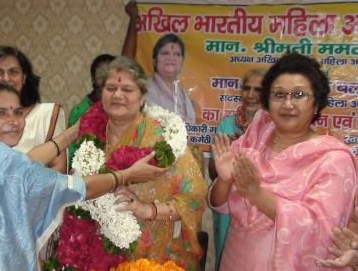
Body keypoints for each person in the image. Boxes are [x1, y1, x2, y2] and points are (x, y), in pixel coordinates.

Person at [0, 82, 166, 271]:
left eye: (18, 111)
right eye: (0, 113)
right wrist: (126, 175)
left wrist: (72, 132)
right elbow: (76, 187)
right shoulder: (2, 161)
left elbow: (17, 166)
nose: (13, 120)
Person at [209, 52, 357, 270]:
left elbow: (321, 228)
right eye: (279, 95)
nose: (288, 103)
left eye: (299, 95)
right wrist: (224, 180)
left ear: (316, 104)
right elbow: (219, 205)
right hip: (236, 259)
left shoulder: (333, 159)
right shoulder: (252, 139)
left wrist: (256, 194)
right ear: (268, 102)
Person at [68, 56, 207, 270]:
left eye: (127, 90)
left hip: (154, 256)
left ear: (142, 97)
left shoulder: (164, 139)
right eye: (111, 88)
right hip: (95, 252)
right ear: (100, 94)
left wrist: (147, 210)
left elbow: (194, 198)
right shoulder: (90, 137)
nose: (117, 95)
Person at [208, 68, 266, 270]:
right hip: (226, 205)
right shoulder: (226, 124)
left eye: (257, 90)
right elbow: (213, 173)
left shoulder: (273, 128)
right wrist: (227, 156)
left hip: (261, 208)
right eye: (246, 88)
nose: (250, 95)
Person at [0, 45, 67, 173]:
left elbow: (59, 170)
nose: (6, 78)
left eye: (13, 72)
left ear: (24, 77)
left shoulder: (47, 115)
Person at [122, 0, 196, 124]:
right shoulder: (143, 88)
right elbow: (124, 65)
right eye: (165, 53)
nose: (171, 58)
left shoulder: (185, 96)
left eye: (177, 54)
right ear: (154, 60)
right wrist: (134, 18)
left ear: (182, 61)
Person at [67, 53, 115, 168]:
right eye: (102, 72)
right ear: (93, 78)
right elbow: (70, 150)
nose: (106, 75)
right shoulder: (81, 110)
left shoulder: (125, 107)